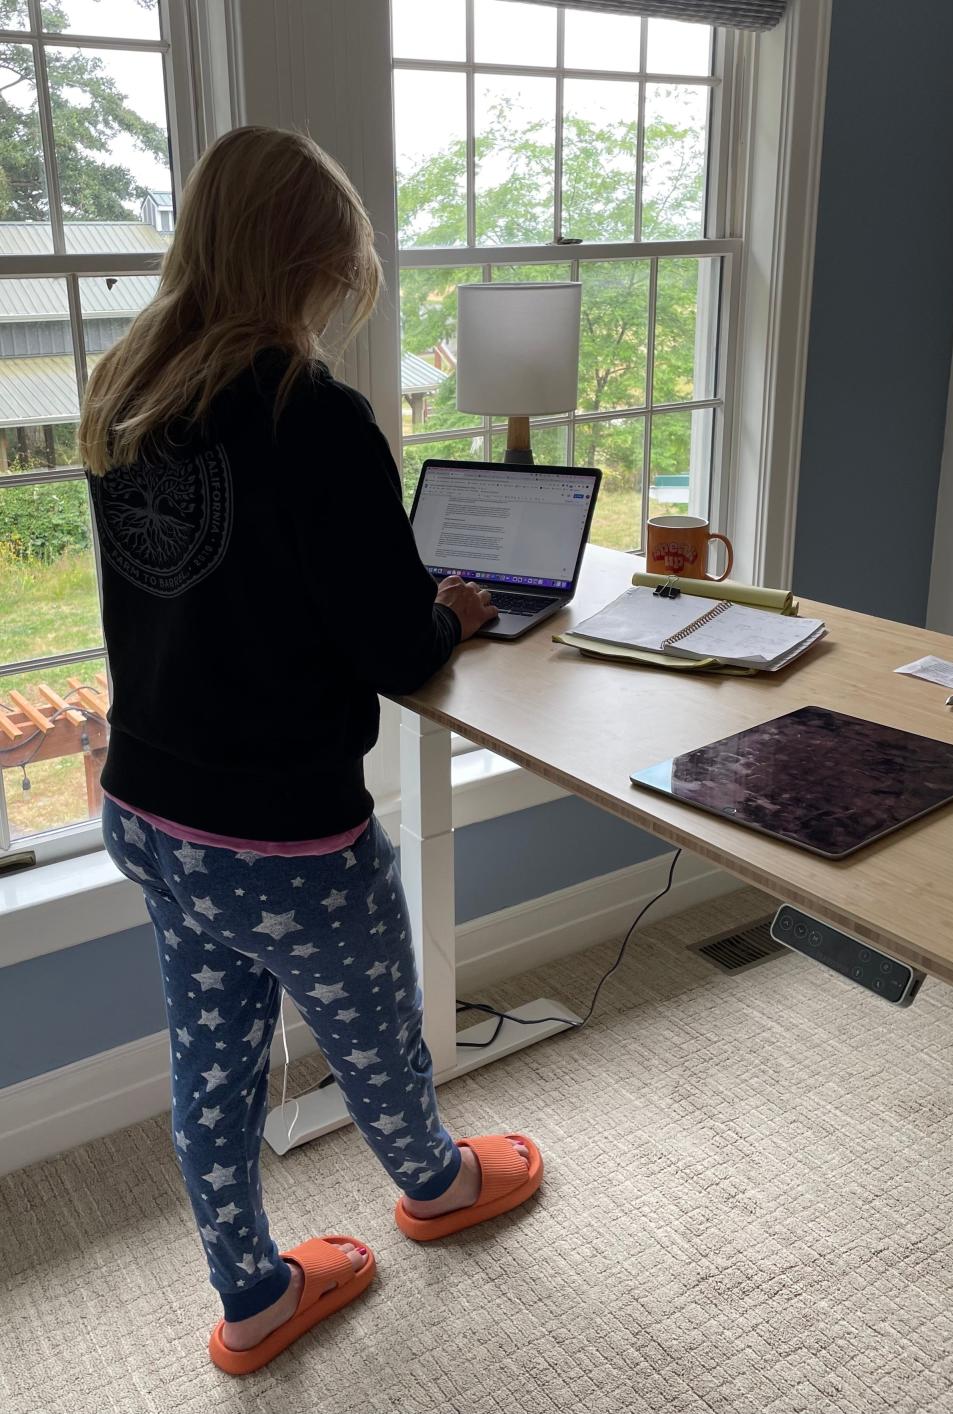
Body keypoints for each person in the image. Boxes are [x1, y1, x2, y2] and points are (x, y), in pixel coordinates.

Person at [79, 126, 543, 1376]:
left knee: (212, 1060)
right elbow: (394, 651)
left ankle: (252, 1299)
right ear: (312, 259)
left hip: (149, 811)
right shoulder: (310, 412)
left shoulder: (128, 392)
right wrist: (452, 610)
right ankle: (439, 1189)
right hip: (283, 836)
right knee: (378, 1033)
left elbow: (210, 596)